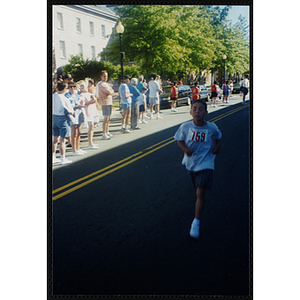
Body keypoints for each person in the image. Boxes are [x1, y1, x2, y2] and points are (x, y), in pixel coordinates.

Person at [174, 99, 222, 239]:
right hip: (191, 163)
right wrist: (185, 149)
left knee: (200, 192)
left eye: (201, 109)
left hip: (206, 162)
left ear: (206, 112)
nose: (197, 111)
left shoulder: (211, 127)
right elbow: (179, 139)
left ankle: (196, 221)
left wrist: (218, 146)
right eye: (194, 109)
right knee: (197, 189)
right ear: (190, 112)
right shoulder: (185, 127)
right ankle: (199, 200)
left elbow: (219, 136)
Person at [52, 80, 75, 165]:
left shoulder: (53, 96)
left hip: (54, 117)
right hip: (62, 118)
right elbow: (70, 111)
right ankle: (63, 158)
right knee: (62, 140)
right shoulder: (65, 99)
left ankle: (53, 156)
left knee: (55, 139)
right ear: (65, 88)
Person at [65, 81, 87, 156]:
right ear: (68, 88)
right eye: (70, 87)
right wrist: (76, 105)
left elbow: (78, 102)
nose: (72, 88)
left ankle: (78, 148)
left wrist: (81, 104)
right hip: (72, 114)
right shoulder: (67, 95)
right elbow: (69, 106)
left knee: (78, 132)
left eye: (73, 87)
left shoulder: (76, 95)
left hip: (79, 113)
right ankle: (74, 150)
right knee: (73, 133)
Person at [77, 80, 99, 149]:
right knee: (91, 125)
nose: (82, 87)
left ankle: (91, 142)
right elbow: (83, 104)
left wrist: (93, 100)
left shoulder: (89, 93)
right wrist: (90, 102)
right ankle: (90, 143)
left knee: (92, 127)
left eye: (83, 86)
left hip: (92, 110)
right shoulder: (81, 95)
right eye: (81, 86)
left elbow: (95, 100)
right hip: (87, 111)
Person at [96, 70, 115, 140]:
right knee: (106, 118)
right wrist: (111, 91)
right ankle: (104, 133)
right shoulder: (101, 84)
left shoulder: (106, 83)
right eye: (104, 76)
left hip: (109, 101)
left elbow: (112, 91)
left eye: (106, 76)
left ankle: (107, 131)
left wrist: (111, 91)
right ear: (101, 76)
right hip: (105, 102)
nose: (105, 77)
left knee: (109, 117)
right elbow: (109, 91)